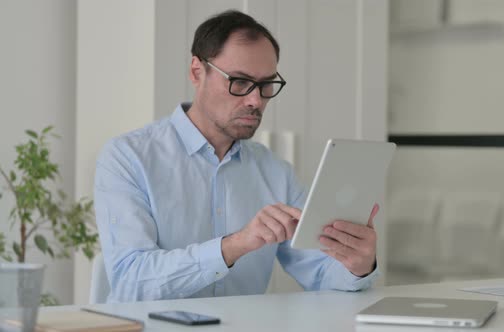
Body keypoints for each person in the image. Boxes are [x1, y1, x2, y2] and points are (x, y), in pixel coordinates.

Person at [94, 10, 379, 303]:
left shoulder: (276, 172)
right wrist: (235, 245)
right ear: (196, 71)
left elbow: (320, 273)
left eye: (266, 85)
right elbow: (131, 282)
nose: (255, 100)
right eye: (240, 82)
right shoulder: (128, 157)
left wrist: (356, 265)